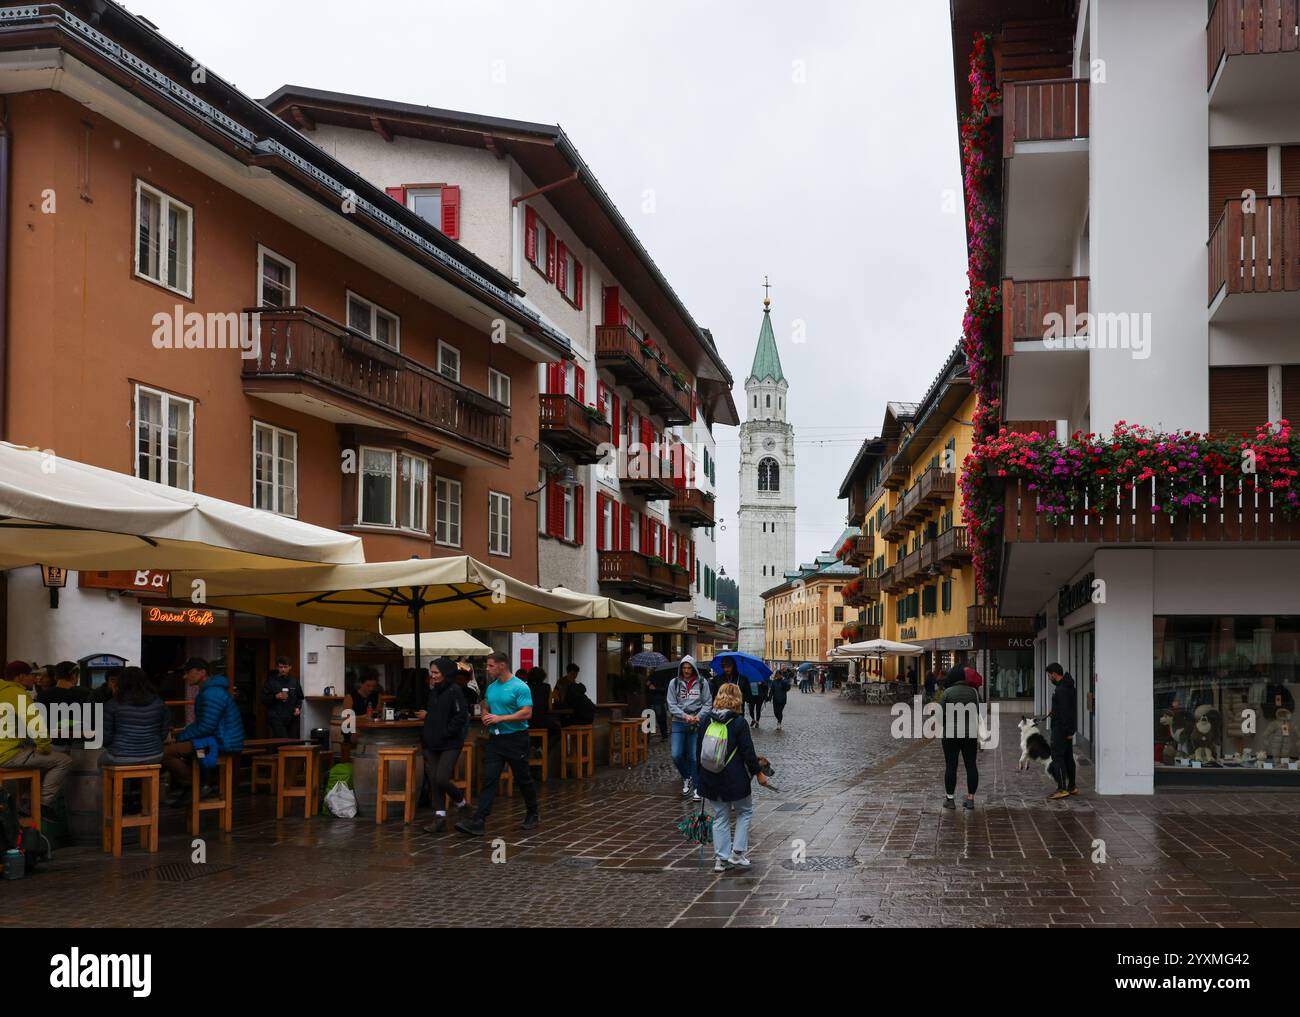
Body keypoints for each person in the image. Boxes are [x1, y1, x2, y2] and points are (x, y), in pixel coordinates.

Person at [456, 650, 538, 835]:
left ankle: (533, 813)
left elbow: (527, 713)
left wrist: (501, 718)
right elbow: (486, 703)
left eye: (491, 665)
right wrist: (485, 713)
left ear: (502, 665)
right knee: (490, 778)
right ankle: (479, 820)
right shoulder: (492, 687)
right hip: (496, 739)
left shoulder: (520, 687)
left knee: (523, 778)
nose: (488, 668)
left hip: (516, 739)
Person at [696, 681, 767, 873]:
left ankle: (721, 860)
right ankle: (737, 853)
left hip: (710, 776)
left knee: (720, 816)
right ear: (738, 699)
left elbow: (698, 751)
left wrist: (699, 777)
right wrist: (758, 773)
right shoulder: (738, 722)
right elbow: (748, 752)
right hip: (734, 778)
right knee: (744, 812)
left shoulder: (705, 721)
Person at [162, 658, 245, 805]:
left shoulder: (211, 693)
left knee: (164, 752)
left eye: (188, 672)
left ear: (202, 672)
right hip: (215, 740)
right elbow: (204, 724)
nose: (185, 676)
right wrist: (183, 736)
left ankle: (194, 784)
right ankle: (202, 784)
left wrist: (180, 737)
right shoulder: (212, 690)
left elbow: (206, 726)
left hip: (220, 742)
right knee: (191, 752)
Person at [0, 660, 73, 811]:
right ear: (20, 677)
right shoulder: (18, 694)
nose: (35, 679)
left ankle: (25, 804)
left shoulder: (3, 692)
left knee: (32, 757)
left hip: (6, 751)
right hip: (7, 754)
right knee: (63, 760)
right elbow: (36, 726)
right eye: (32, 675)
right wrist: (44, 747)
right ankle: (41, 805)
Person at [418, 657, 470, 833]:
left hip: (450, 743)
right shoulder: (433, 691)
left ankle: (462, 803)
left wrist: (446, 732)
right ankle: (439, 817)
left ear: (446, 673)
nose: (433, 676)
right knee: (434, 780)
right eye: (431, 673)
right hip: (432, 743)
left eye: (436, 673)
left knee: (441, 777)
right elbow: (435, 714)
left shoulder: (455, 691)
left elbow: (460, 716)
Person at [666, 655, 712, 801]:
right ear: (681, 668)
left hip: (696, 723)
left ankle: (697, 788)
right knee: (676, 754)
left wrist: (699, 716)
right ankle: (687, 777)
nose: (686, 671)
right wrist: (684, 716)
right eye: (684, 668)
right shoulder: (674, 683)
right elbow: (671, 704)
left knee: (693, 756)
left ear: (693, 668)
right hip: (679, 722)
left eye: (689, 668)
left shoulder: (702, 683)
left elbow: (707, 703)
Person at [937, 664, 980, 810]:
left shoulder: (947, 692)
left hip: (950, 735)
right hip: (970, 734)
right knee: (971, 765)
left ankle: (950, 799)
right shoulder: (973, 692)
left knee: (951, 766)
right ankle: (970, 799)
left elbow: (939, 715)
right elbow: (978, 713)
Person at [1046, 662, 1077, 799]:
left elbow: (1065, 712)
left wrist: (1067, 731)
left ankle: (1062, 788)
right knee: (1068, 758)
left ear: (1054, 674)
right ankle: (1072, 786)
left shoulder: (1061, 690)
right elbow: (1067, 709)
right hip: (1067, 729)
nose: (1049, 678)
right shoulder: (1068, 686)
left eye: (1049, 675)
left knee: (1058, 757)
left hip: (1061, 730)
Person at [39, 660, 89, 746]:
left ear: (55, 677)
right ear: (74, 675)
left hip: (53, 744)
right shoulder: (85, 694)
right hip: (79, 743)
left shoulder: (42, 695)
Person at [262, 655, 305, 739]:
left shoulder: (294, 682)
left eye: (285, 667)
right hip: (276, 718)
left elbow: (299, 698)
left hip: (291, 718)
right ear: (277, 668)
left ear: (290, 667)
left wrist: (298, 708)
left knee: (292, 743)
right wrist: (275, 697)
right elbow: (263, 699)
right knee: (282, 742)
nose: (283, 669)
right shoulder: (271, 682)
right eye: (280, 667)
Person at [643, 668, 669, 742]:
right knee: (648, 720)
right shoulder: (650, 677)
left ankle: (664, 736)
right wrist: (647, 684)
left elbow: (665, 689)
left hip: (658, 701)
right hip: (651, 701)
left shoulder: (662, 677)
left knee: (661, 719)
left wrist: (655, 688)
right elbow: (646, 689)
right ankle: (646, 738)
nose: (650, 669)